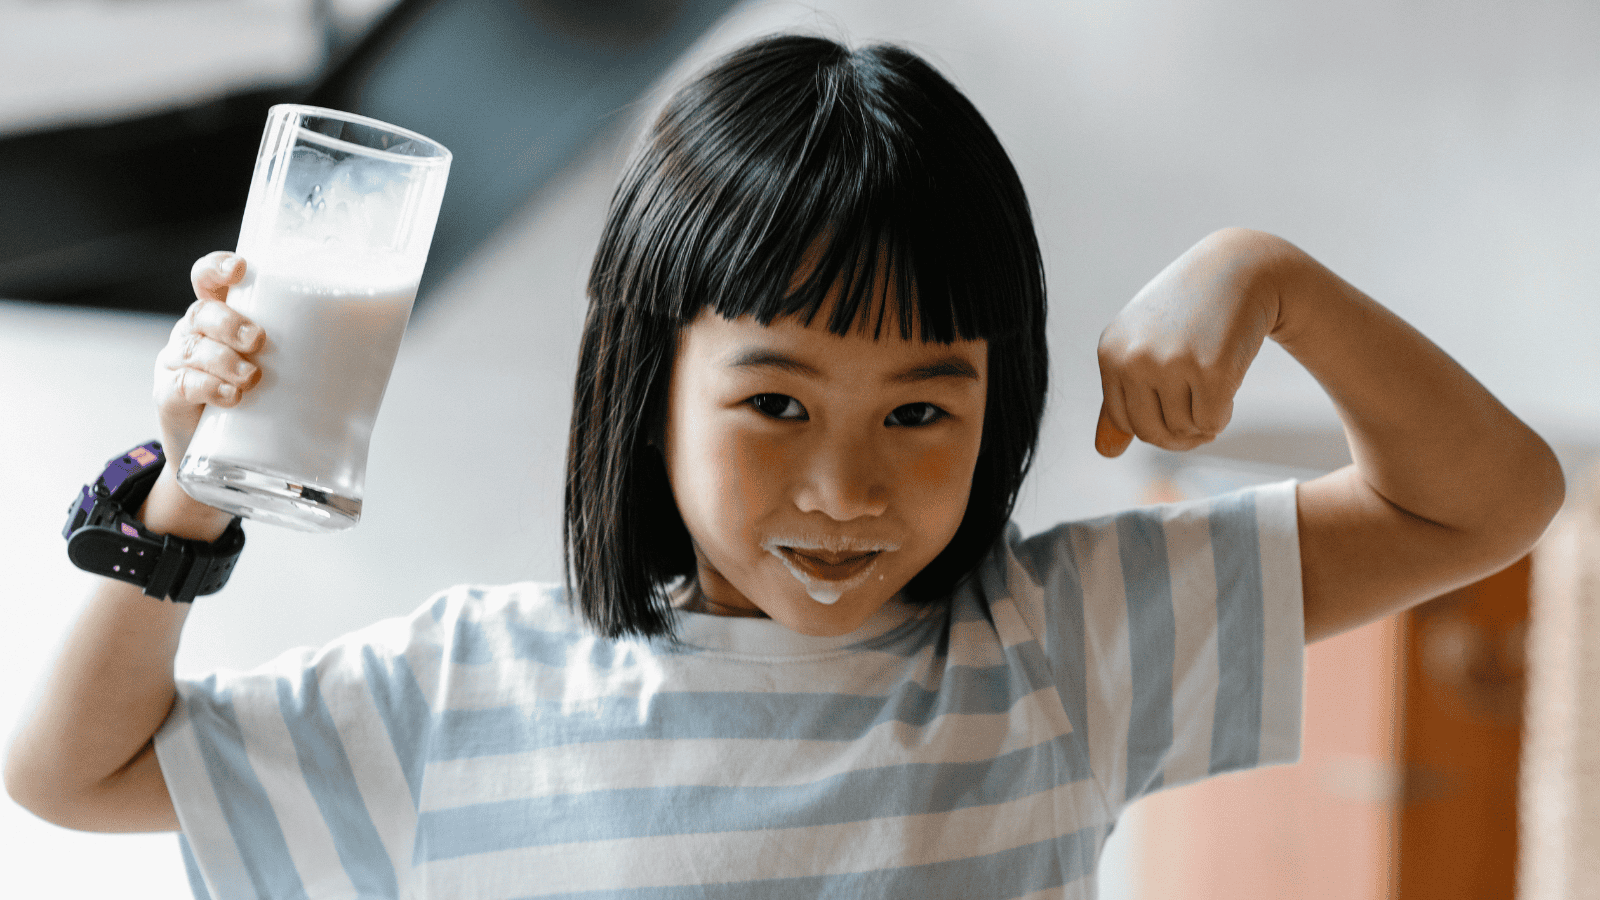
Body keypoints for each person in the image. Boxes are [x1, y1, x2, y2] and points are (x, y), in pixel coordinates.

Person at [5, 33, 1564, 900]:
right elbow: (72, 776)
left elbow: (1488, 499)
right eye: (774, 406)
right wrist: (192, 494)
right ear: (649, 383)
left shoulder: (1063, 644)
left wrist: (1268, 273)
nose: (844, 491)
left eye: (919, 413)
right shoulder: (469, 685)